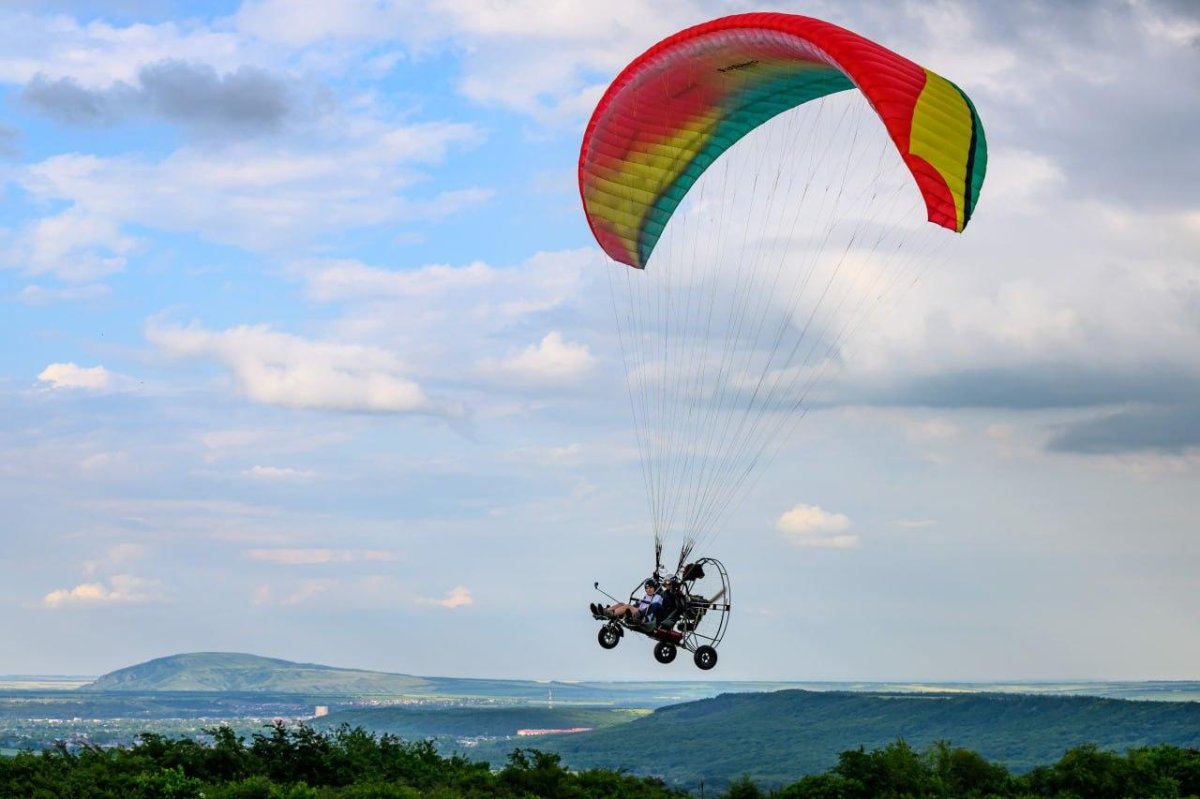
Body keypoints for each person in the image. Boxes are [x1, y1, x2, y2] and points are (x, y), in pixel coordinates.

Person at [591, 577, 664, 625]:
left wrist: (635, 609)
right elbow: (641, 605)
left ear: (655, 588)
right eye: (647, 588)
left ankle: (611, 613)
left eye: (651, 588)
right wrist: (635, 606)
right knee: (621, 604)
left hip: (645, 616)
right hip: (639, 612)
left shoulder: (657, 597)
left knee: (628, 606)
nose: (649, 590)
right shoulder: (646, 597)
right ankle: (603, 611)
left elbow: (653, 609)